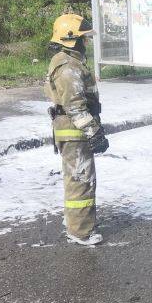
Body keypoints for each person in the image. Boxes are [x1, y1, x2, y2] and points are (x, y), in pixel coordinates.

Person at [44, 13, 109, 246]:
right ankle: (81, 231)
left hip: (72, 130)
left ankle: (77, 223)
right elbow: (75, 106)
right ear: (71, 38)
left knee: (78, 178)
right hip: (74, 131)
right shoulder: (68, 66)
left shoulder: (68, 61)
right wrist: (94, 132)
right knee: (81, 179)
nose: (86, 42)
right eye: (84, 38)